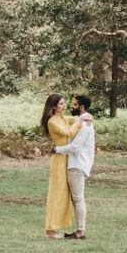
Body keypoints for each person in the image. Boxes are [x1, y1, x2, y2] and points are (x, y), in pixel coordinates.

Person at [55, 94, 96, 239]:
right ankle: (79, 230)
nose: (72, 107)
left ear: (82, 107)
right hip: (75, 163)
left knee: (78, 198)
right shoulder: (81, 120)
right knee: (76, 198)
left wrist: (57, 149)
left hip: (78, 163)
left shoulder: (85, 124)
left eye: (74, 104)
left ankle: (80, 231)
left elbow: (75, 147)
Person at [40, 93, 80, 238]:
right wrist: (80, 123)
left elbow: (74, 119)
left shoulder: (62, 118)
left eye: (64, 103)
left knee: (63, 194)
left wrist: (85, 116)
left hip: (66, 158)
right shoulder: (53, 121)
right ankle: (49, 230)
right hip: (58, 160)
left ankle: (54, 227)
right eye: (61, 104)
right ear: (54, 106)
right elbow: (68, 133)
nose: (64, 106)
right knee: (56, 194)